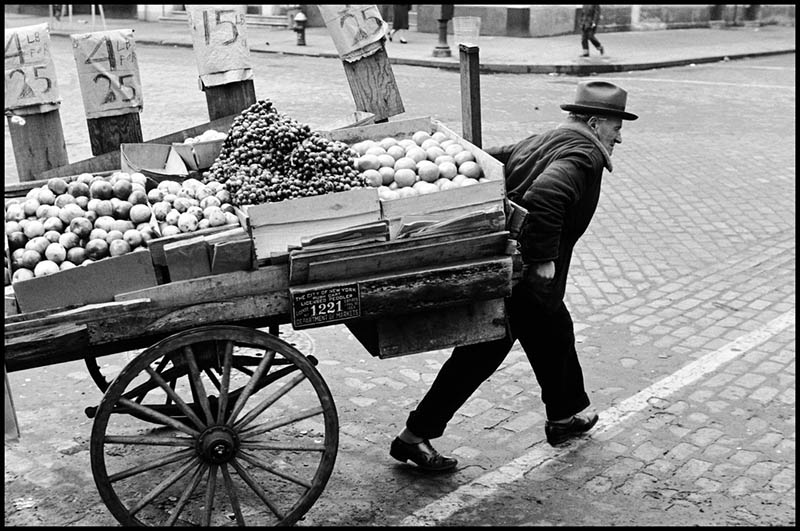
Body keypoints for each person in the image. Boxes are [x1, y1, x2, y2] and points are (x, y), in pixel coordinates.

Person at [389, 80, 638, 472]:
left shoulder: (546, 139)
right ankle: (414, 436)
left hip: (510, 262)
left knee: (552, 330)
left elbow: (494, 159)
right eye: (616, 127)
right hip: (522, 270)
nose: (619, 137)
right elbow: (547, 196)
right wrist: (542, 259)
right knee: (482, 353)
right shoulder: (583, 155)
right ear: (594, 122)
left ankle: (565, 414)